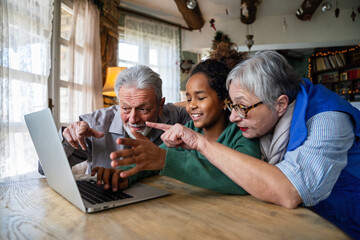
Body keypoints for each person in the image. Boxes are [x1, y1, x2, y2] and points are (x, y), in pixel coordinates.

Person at [115, 51, 360, 239]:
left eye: (241, 107)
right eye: (232, 106)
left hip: (342, 227)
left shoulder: (328, 120)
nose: (233, 117)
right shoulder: (271, 105)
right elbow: (191, 104)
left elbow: (290, 192)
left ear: (281, 104)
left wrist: (200, 143)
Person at [105, 59, 260, 193]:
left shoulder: (242, 133)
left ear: (224, 100)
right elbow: (153, 158)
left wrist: (166, 160)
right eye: (188, 98)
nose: (192, 106)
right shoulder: (189, 130)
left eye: (200, 98)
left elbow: (246, 180)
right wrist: (121, 174)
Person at [58, 65, 191, 183]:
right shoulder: (93, 124)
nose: (133, 119)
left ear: (160, 105)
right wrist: (67, 141)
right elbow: (45, 169)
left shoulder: (177, 117)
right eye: (125, 108)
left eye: (143, 109)